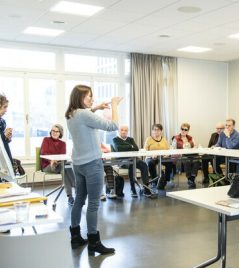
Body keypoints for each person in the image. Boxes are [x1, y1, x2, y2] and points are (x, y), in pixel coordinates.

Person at [66, 84, 122, 255]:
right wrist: (114, 105)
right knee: (93, 203)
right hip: (92, 163)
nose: (92, 99)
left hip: (78, 163)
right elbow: (113, 126)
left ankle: (75, 236)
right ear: (80, 98)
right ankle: (93, 241)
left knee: (79, 200)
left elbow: (86, 114)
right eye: (89, 96)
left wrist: (96, 107)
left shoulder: (71, 114)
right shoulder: (83, 115)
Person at [112, 125, 155, 197]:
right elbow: (119, 148)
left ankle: (146, 188)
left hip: (134, 158)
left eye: (126, 130)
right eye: (122, 130)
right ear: (119, 131)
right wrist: (130, 146)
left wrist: (126, 146)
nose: (124, 132)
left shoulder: (131, 139)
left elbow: (136, 148)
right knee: (132, 164)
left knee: (144, 164)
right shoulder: (115, 139)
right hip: (122, 160)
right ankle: (132, 188)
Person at [40, 124, 76, 205]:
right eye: (53, 131)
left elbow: (62, 156)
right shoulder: (46, 140)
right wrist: (51, 161)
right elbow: (44, 152)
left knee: (65, 167)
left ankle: (70, 197)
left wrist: (57, 161)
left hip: (59, 165)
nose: (55, 133)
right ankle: (76, 186)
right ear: (50, 131)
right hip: (47, 166)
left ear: (60, 133)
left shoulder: (63, 143)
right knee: (65, 167)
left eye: (57, 131)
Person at [171, 123, 201, 188]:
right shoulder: (176, 138)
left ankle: (192, 178)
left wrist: (193, 148)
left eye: (185, 129)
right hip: (181, 156)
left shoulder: (190, 138)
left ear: (188, 131)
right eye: (182, 129)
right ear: (180, 129)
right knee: (187, 161)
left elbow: (195, 146)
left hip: (191, 154)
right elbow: (173, 148)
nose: (183, 131)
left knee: (197, 160)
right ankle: (189, 178)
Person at [144, 124, 173, 190]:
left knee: (170, 162)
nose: (156, 131)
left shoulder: (164, 139)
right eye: (155, 130)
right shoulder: (149, 139)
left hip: (162, 157)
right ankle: (154, 181)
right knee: (150, 163)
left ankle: (165, 179)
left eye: (158, 130)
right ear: (152, 131)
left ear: (161, 131)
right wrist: (152, 155)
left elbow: (168, 149)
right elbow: (145, 150)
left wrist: (167, 155)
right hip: (151, 157)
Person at [0, 94, 12, 164]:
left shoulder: (2, 122)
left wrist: (8, 137)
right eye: (4, 107)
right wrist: (4, 135)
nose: (6, 110)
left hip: (4, 153)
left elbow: (4, 141)